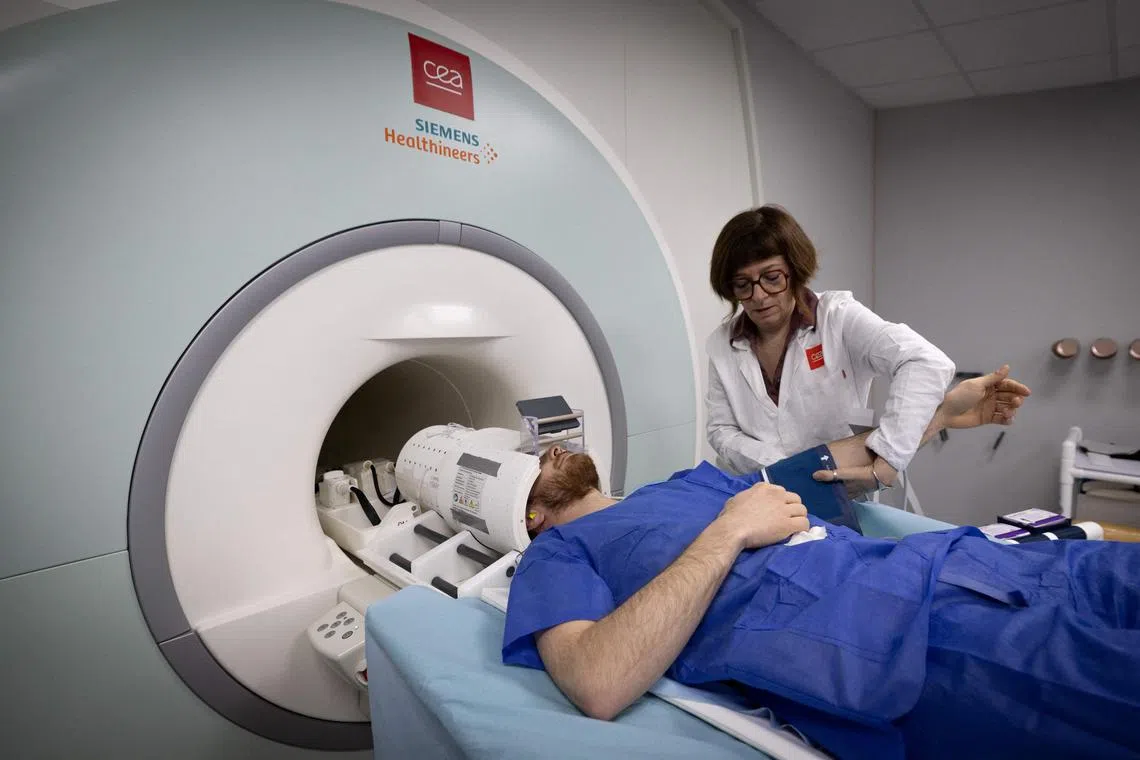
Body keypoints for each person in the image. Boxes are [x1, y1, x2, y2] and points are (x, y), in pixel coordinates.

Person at [504, 368, 1140, 760]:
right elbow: (599, 681)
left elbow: (822, 466)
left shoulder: (677, 484)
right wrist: (728, 533)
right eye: (529, 457)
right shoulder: (555, 554)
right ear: (525, 511)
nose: (548, 446)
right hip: (895, 645)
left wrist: (940, 413)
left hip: (955, 563)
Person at [706, 205, 955, 487]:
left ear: (795, 269)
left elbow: (926, 361)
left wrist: (889, 456)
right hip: (753, 488)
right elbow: (721, 429)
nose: (759, 296)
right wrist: (786, 467)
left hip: (835, 490)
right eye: (742, 285)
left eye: (772, 278)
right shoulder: (721, 343)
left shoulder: (838, 318)